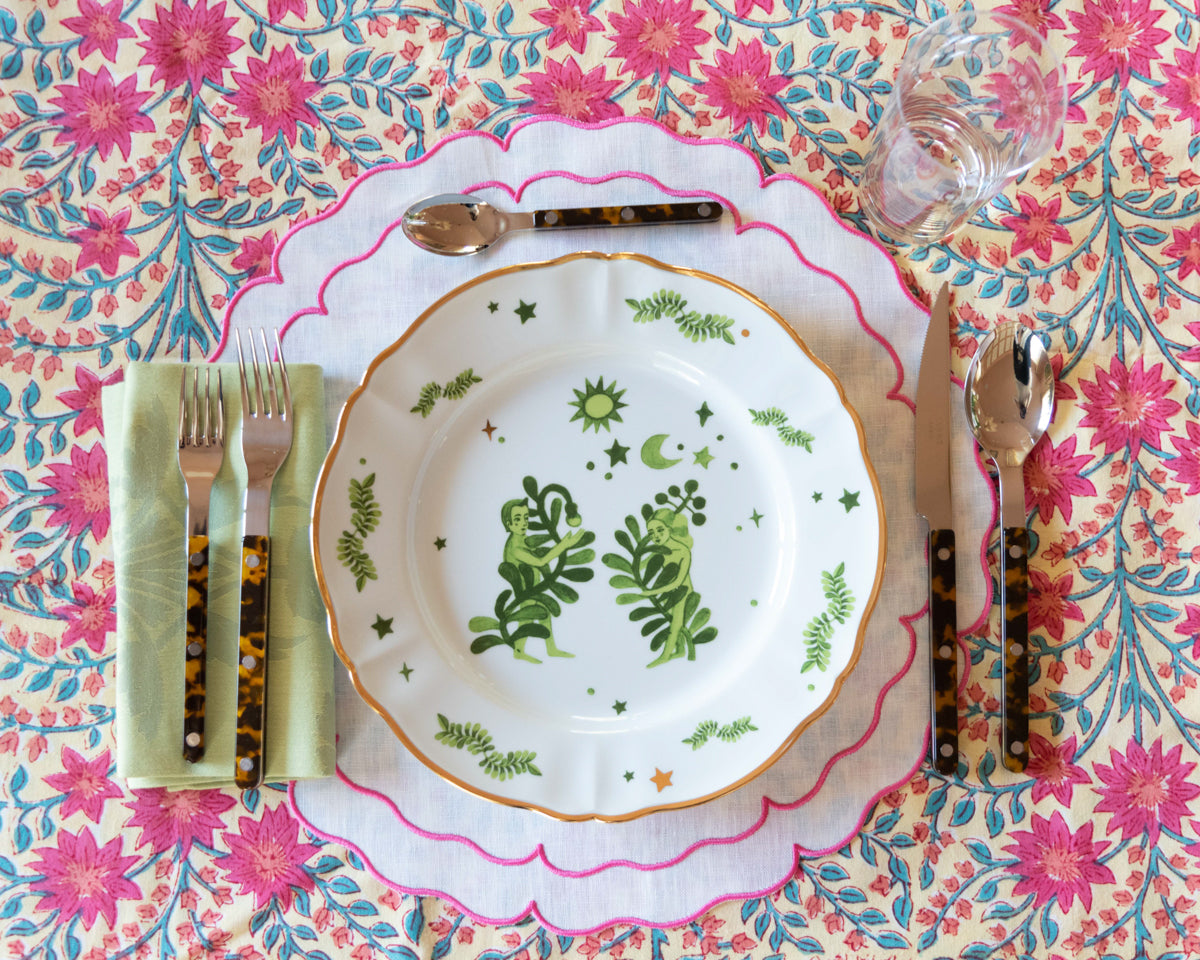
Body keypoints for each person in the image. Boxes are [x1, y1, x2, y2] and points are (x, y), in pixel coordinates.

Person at [500, 498, 585, 663]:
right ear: (509, 524)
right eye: (517, 519)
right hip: (525, 590)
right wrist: (564, 545)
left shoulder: (522, 541)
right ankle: (519, 651)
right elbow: (540, 561)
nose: (523, 523)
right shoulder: (516, 547)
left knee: (544, 614)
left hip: (534, 587)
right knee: (527, 617)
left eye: (526, 518)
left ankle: (550, 648)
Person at [641, 508, 694, 667]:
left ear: (669, 530)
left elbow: (678, 583)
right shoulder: (659, 549)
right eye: (651, 533)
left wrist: (653, 592)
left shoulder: (683, 551)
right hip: (667, 591)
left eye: (660, 530)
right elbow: (645, 564)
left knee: (675, 625)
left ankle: (665, 656)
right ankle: (680, 651)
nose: (656, 535)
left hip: (681, 592)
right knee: (674, 622)